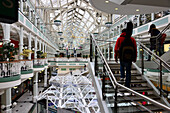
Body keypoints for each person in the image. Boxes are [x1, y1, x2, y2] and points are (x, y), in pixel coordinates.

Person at [114, 22, 137, 88]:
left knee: (122, 66)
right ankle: (127, 84)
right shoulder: (132, 39)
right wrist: (135, 58)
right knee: (128, 71)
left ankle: (122, 76)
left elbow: (116, 49)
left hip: (122, 57)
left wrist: (116, 57)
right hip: (129, 57)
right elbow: (135, 49)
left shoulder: (119, 39)